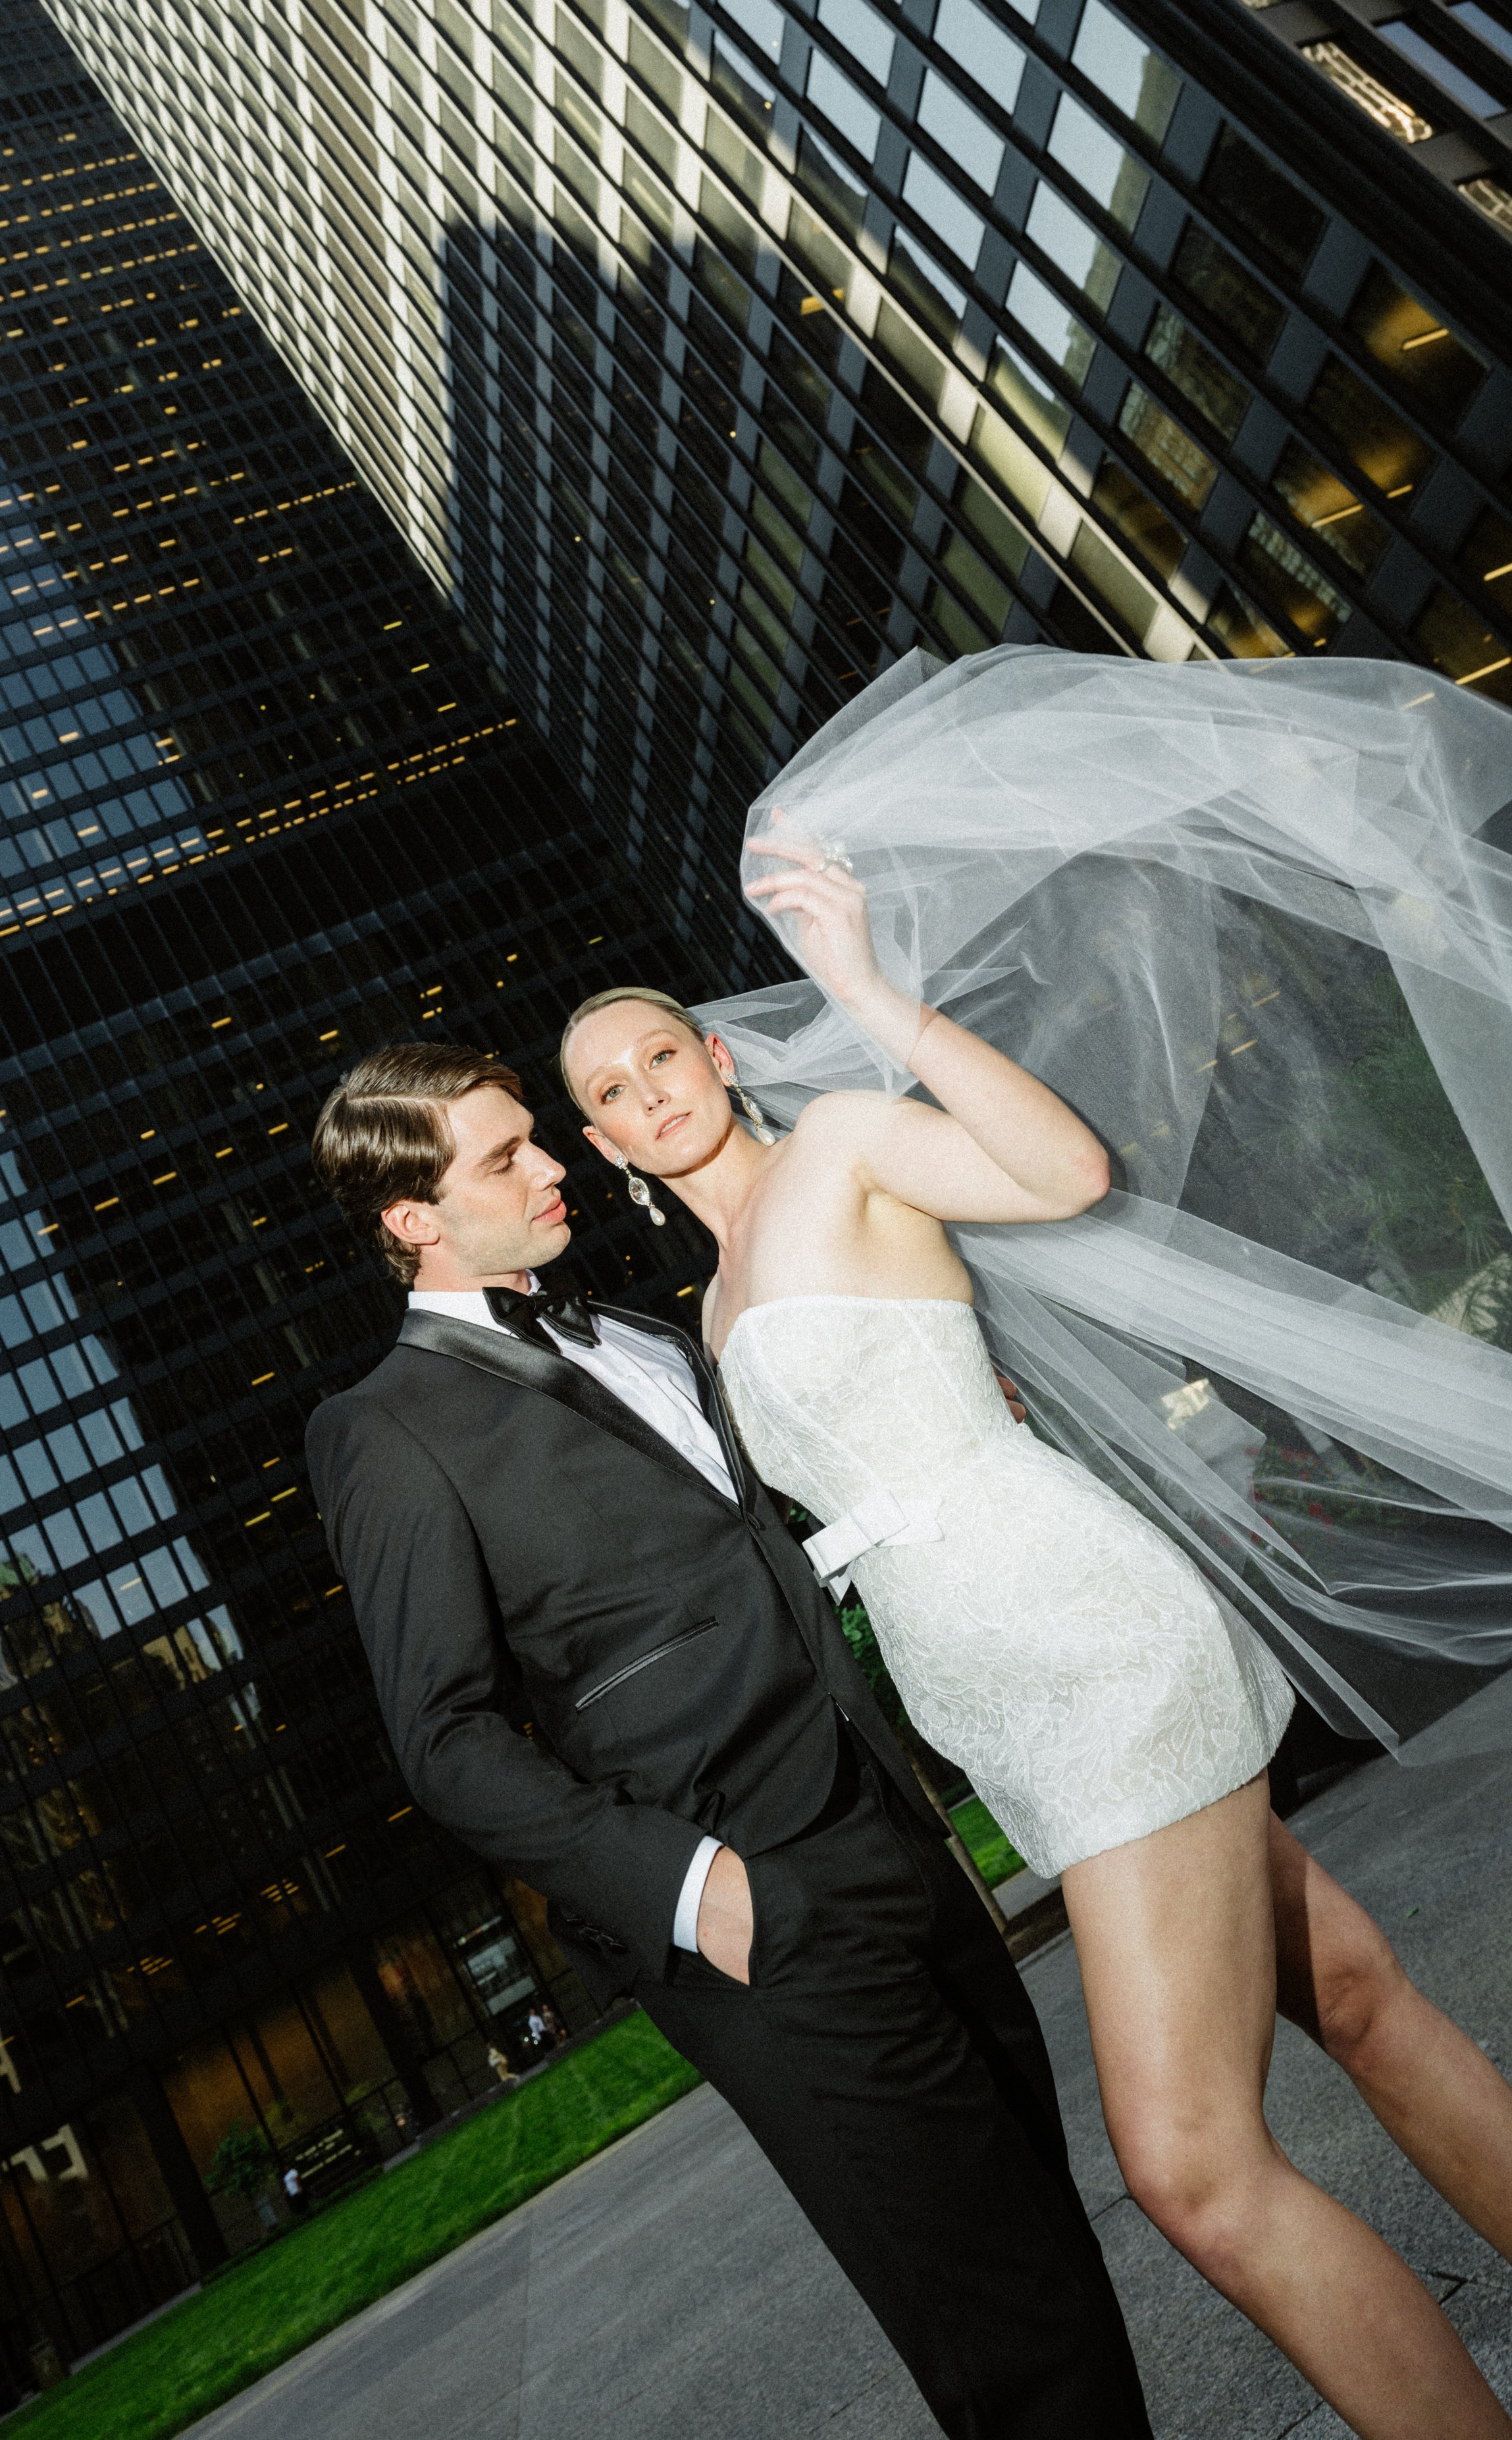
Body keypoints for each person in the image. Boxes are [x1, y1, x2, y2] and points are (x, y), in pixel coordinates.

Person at [561, 927, 1512, 2431]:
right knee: (1347, 1993)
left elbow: (1062, 1173)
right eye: (606, 1092)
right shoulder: (708, 1311)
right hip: (989, 1696)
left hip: (1081, 1638)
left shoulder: (847, 1146)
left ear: (716, 1057)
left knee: (1188, 2172)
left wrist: (873, 999)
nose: (643, 1094)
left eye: (657, 1055)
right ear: (604, 1145)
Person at [306, 1042, 1150, 2440]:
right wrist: (699, 1893)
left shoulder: (642, 1335)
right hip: (758, 1911)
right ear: (412, 1219)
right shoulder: (382, 1430)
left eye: (535, 1138)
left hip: (898, 1843)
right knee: (1006, 2332)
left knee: (1046, 2251)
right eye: (504, 1156)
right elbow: (444, 1739)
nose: (553, 1163)